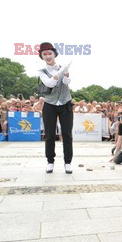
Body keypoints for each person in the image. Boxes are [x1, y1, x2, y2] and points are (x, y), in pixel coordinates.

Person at [37, 42, 74, 174]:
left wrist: (66, 75)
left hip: (65, 103)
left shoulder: (62, 67)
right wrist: (58, 74)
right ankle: (50, 161)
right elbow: (49, 83)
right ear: (42, 56)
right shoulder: (42, 71)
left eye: (50, 53)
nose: (47, 56)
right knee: (50, 135)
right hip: (50, 104)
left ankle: (68, 162)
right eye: (44, 54)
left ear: (54, 54)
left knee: (67, 135)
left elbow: (66, 83)